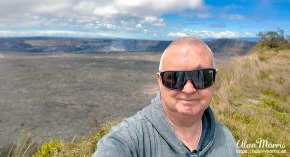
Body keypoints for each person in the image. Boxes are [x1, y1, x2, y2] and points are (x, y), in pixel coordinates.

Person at [92, 37, 239, 157]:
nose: (188, 89)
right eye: (174, 78)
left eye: (201, 76)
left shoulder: (226, 138)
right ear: (159, 82)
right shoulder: (129, 140)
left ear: (214, 79)